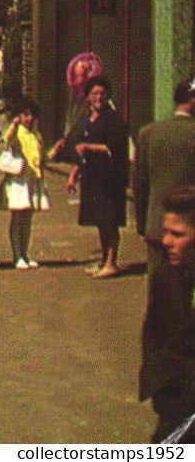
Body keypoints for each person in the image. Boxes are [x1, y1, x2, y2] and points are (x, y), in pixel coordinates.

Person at [141, 186, 195, 442]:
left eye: (178, 234)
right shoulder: (165, 277)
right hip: (174, 403)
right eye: (165, 232)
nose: (166, 241)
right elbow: (153, 336)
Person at [66, 75, 131, 279]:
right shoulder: (86, 120)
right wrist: (73, 176)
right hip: (92, 178)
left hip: (109, 179)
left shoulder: (113, 119)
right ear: (88, 96)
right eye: (94, 93)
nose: (99, 97)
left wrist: (89, 147)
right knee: (100, 221)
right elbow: (80, 153)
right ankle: (104, 260)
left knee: (110, 220)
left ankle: (111, 262)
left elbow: (115, 147)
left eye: (102, 93)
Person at [134, 79, 195, 278]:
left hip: (156, 227)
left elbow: (140, 185)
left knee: (161, 294)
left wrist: (143, 225)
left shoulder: (148, 133)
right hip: (189, 231)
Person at [0, 99, 49, 269]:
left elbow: (42, 158)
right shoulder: (16, 133)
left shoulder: (36, 135)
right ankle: (17, 255)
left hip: (32, 180)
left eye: (32, 115)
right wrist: (13, 124)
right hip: (18, 182)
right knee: (18, 218)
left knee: (27, 220)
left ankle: (25, 253)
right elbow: (5, 140)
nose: (29, 119)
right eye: (25, 115)